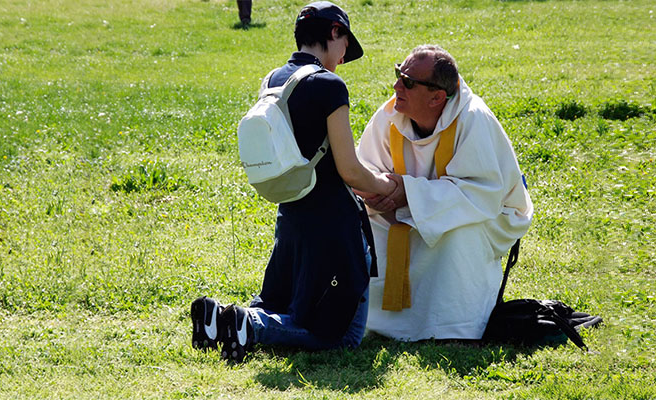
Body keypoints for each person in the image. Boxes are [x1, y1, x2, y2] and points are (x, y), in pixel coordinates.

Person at [191, 1, 397, 362]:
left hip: (292, 216)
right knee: (341, 337)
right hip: (335, 225)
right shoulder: (330, 85)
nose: (343, 58)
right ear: (335, 32)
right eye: (345, 46)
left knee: (297, 310)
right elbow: (348, 169)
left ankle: (219, 317)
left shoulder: (273, 80)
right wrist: (385, 185)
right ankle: (251, 325)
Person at [354, 45, 534, 341]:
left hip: (487, 215)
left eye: (408, 82)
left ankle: (451, 327)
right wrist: (384, 196)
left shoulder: (473, 118)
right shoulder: (389, 116)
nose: (397, 85)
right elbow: (368, 167)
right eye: (398, 74)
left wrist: (407, 195)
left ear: (438, 97)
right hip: (404, 210)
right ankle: (376, 322)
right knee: (366, 227)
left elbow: (480, 195)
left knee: (455, 231)